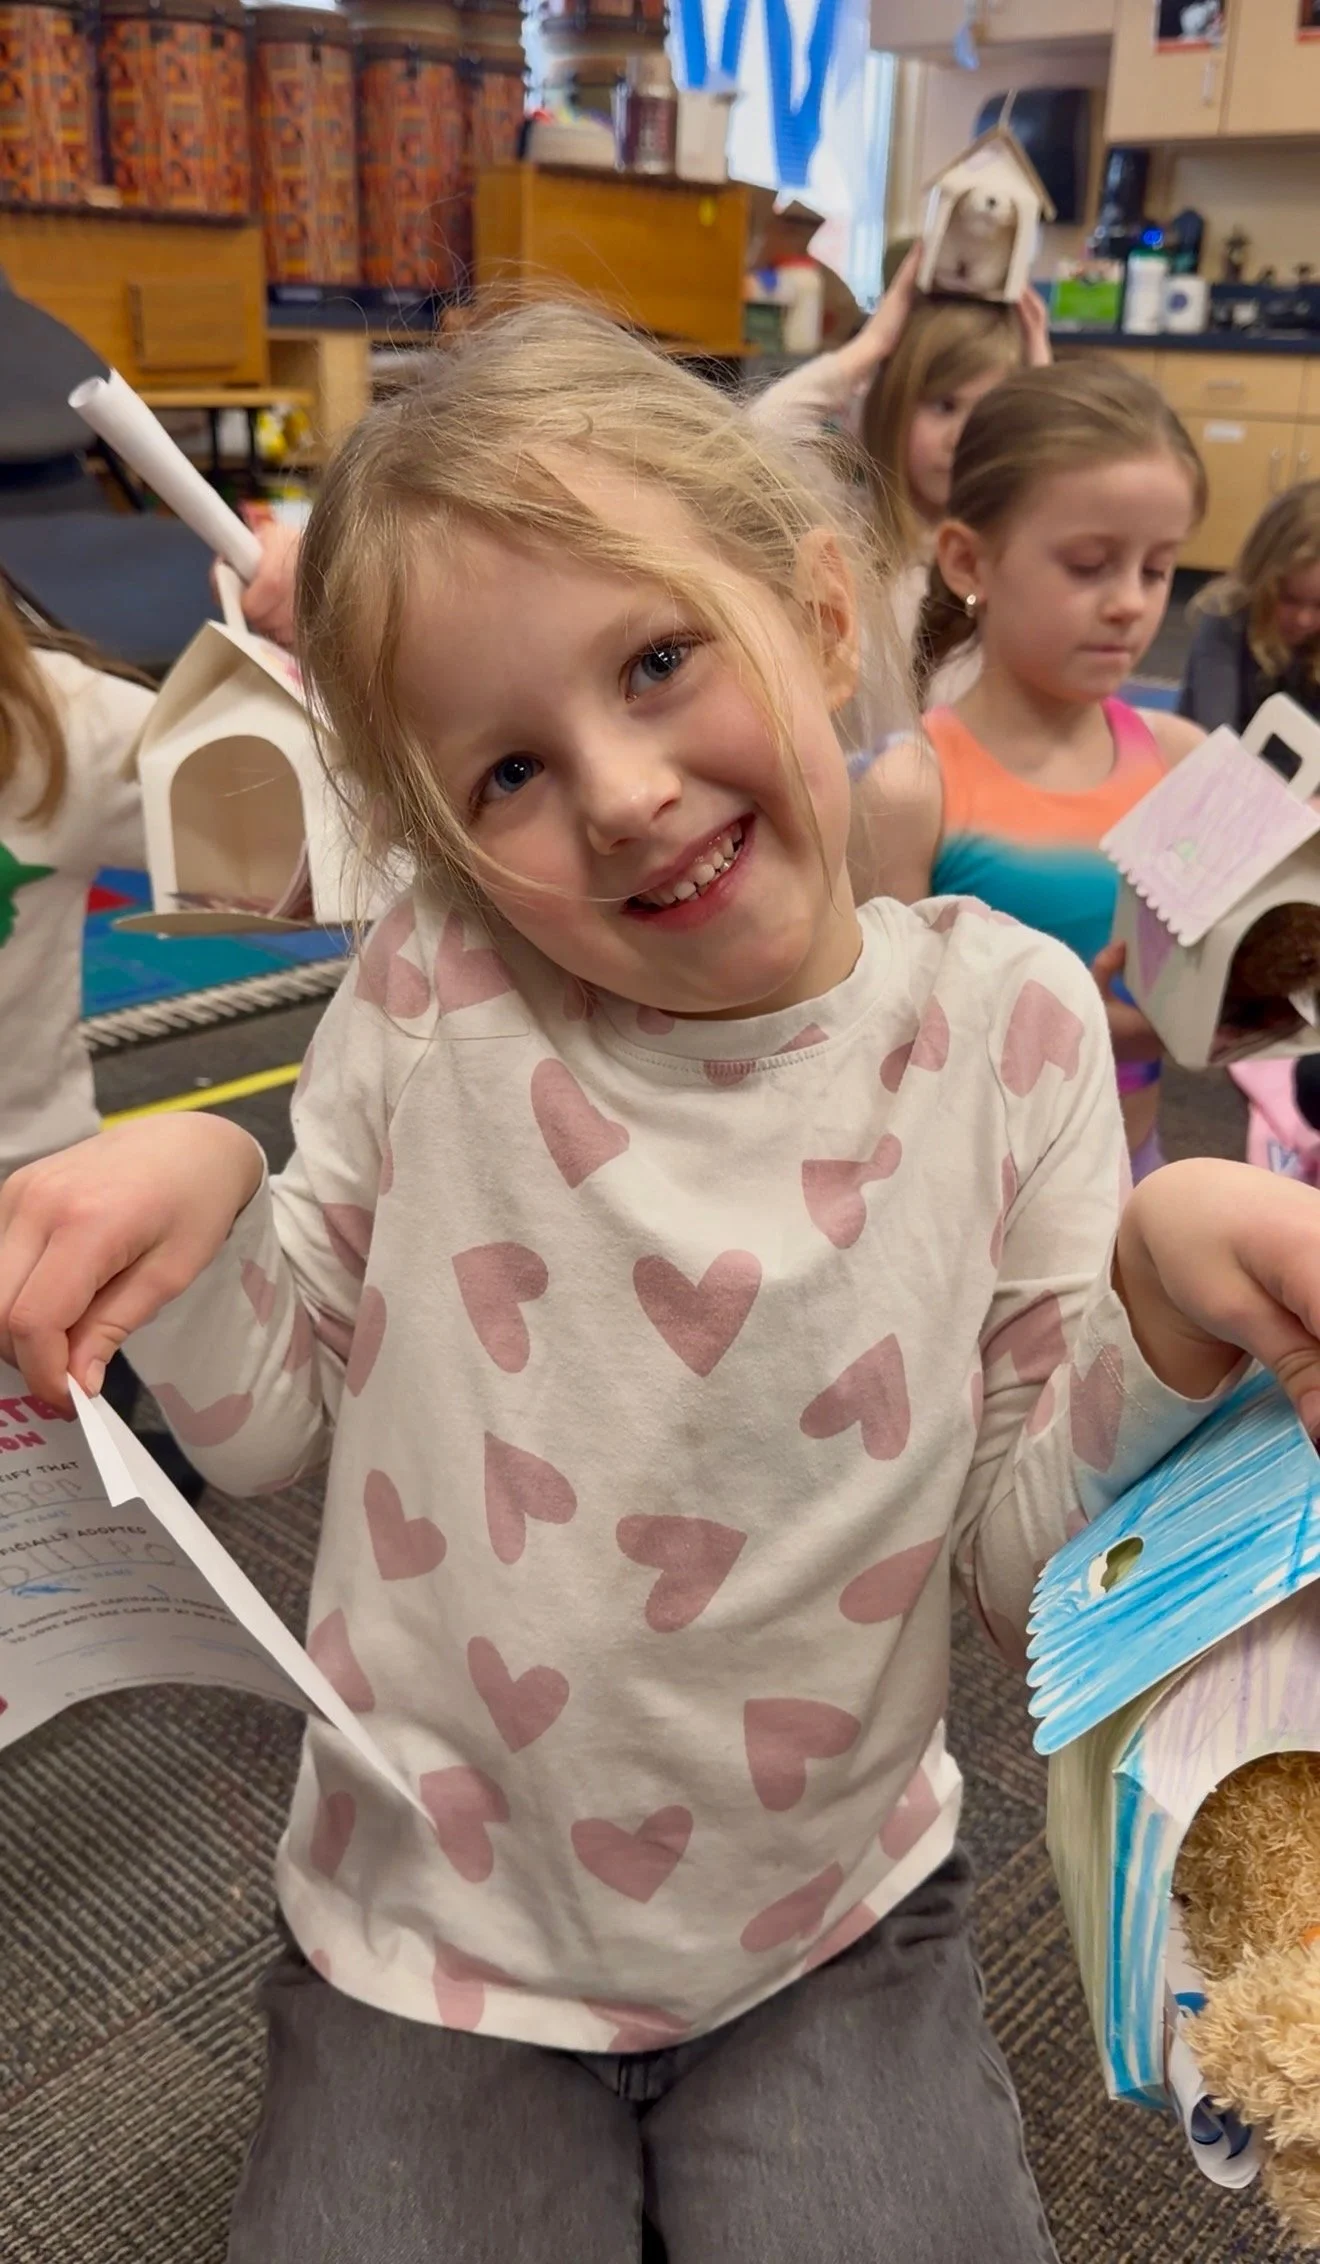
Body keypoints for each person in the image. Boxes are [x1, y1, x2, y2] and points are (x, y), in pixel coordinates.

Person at [3, 303, 1316, 2264]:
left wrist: (1165, 1303)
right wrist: (209, 1198)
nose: (618, 792)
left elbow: (1015, 1573)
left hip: (831, 1915)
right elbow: (270, 1425)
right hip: (429, 1917)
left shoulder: (1009, 1030)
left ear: (818, 614)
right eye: (508, 771)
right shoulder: (436, 990)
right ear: (441, 835)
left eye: (657, 661)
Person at [851, 359, 1207, 1176]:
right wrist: (1096, 1027)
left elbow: (1236, 975)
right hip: (970, 1196)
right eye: (1088, 564)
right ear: (968, 561)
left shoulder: (1180, 762)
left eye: (1157, 569)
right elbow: (877, 1044)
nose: (1132, 602)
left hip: (1136, 1175)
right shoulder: (913, 792)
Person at [753, 242, 1052, 696]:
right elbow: (763, 431)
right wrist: (870, 346)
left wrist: (1045, 393)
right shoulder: (851, 530)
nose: (961, 437)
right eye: (944, 405)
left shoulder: (1017, 547)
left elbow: (1078, 504)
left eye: (988, 412)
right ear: (896, 406)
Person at [1179, 480, 1320, 736]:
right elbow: (1216, 735)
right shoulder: (1226, 622)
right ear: (1260, 582)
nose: (1304, 619)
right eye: (1288, 599)